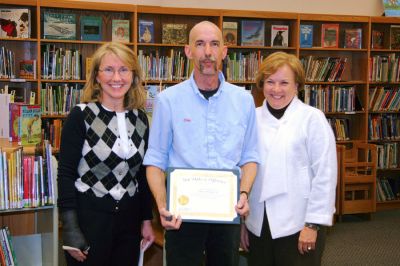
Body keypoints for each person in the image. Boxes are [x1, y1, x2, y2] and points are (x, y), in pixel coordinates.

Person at [143, 21, 259, 266]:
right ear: (188, 51)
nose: (208, 52)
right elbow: (155, 159)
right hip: (182, 216)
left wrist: (245, 193)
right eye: (200, 44)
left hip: (226, 214)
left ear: (224, 52)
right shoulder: (168, 101)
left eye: (214, 44)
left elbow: (250, 156)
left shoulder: (244, 101)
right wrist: (163, 206)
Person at [57, 42, 155, 266]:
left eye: (124, 70)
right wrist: (70, 229)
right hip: (89, 221)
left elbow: (142, 176)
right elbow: (65, 174)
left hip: (129, 224)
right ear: (97, 76)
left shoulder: (140, 119)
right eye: (108, 70)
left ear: (133, 75)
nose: (116, 77)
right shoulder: (80, 116)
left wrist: (147, 220)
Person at [241, 51, 337, 266]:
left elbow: (325, 175)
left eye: (284, 82)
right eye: (270, 82)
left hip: (299, 222)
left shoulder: (312, 119)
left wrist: (312, 225)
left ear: (297, 86)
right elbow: (244, 170)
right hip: (258, 222)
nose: (276, 89)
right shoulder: (252, 118)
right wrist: (243, 223)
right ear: (261, 84)